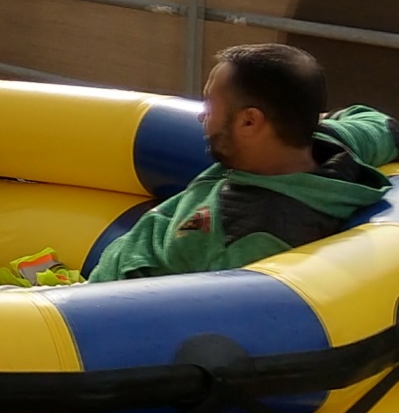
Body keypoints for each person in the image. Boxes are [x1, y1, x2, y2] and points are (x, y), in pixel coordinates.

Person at [88, 43, 394, 279]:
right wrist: (300, 117)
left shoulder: (249, 237)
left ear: (249, 122)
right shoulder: (335, 144)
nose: (201, 115)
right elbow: (382, 125)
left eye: (209, 104)